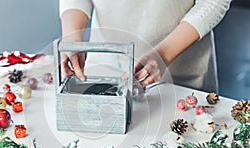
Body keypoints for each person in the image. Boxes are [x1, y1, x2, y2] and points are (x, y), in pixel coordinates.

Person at [59, 0, 232, 92]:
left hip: (179, 74)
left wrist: (164, 54)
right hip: (105, 66)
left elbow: (214, 2)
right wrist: (72, 36)